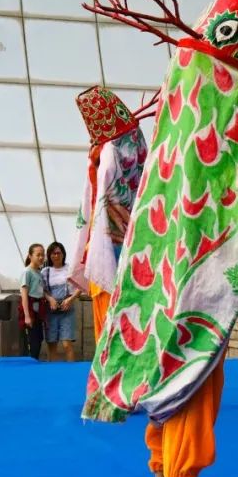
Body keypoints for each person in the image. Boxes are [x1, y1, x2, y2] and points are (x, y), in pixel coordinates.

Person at [82, 0, 238, 477]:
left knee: (167, 364)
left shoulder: (185, 86)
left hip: (160, 260)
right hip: (197, 267)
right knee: (195, 372)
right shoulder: (226, 90)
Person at [67, 86, 150, 345]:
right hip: (134, 247)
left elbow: (99, 195)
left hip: (108, 247)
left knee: (109, 327)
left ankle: (110, 377)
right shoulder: (136, 143)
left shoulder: (109, 151)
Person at [42, 242, 81, 362]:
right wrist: (50, 299)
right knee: (52, 344)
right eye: (53, 253)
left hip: (67, 310)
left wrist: (70, 299)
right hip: (51, 310)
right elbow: (42, 290)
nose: (56, 255)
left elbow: (81, 286)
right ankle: (53, 372)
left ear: (63, 254)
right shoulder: (45, 271)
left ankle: (70, 371)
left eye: (58, 253)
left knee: (66, 344)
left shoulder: (70, 269)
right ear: (49, 255)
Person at [21, 243, 46, 360]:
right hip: (31, 309)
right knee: (32, 341)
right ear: (30, 256)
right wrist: (27, 316)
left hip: (39, 310)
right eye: (38, 255)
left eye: (43, 255)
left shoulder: (39, 273)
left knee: (39, 339)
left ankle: (35, 363)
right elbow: (24, 295)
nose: (41, 257)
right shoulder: (27, 272)